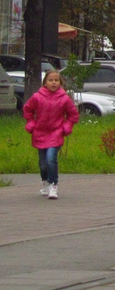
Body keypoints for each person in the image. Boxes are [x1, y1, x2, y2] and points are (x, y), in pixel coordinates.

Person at [23, 70, 79, 200]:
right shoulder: (37, 97)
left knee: (50, 158)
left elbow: (73, 115)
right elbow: (28, 110)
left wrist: (66, 127)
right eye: (50, 80)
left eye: (56, 80)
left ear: (60, 82)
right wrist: (31, 123)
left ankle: (54, 185)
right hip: (40, 133)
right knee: (43, 163)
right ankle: (45, 182)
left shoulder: (64, 98)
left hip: (56, 132)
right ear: (45, 83)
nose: (53, 83)